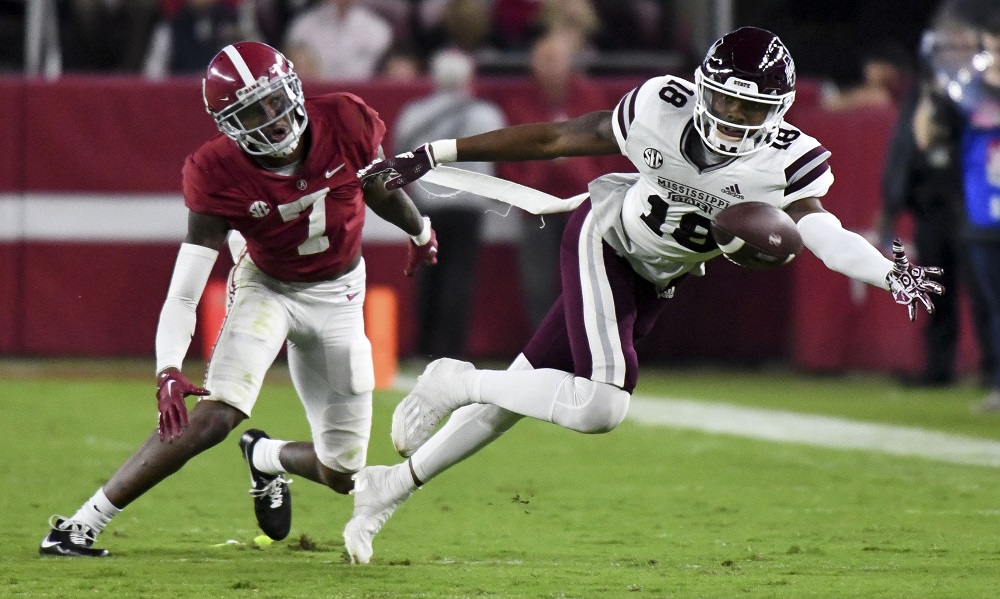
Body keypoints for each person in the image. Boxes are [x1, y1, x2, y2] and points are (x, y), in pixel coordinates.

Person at [342, 26, 945, 564]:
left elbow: (824, 235)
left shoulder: (786, 160)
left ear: (779, 111)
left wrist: (891, 274)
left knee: (517, 400)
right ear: (703, 86)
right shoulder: (663, 107)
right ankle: (458, 380)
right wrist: (434, 154)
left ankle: (388, 487)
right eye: (725, 97)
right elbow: (561, 137)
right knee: (602, 405)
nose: (733, 114)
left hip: (657, 279)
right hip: (605, 239)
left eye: (749, 105)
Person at [39, 41, 438, 557]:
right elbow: (185, 288)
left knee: (342, 471)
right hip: (267, 288)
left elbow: (379, 188)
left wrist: (421, 230)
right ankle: (78, 525)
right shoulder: (215, 170)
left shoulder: (346, 119)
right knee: (213, 416)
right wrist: (167, 367)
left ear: (293, 88)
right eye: (253, 111)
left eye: (274, 101)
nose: (271, 119)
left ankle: (265, 457)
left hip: (340, 297)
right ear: (229, 123)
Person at [878, 73, 994, 387]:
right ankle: (938, 369)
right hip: (930, 214)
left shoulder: (976, 95)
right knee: (936, 293)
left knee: (985, 296)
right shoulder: (922, 92)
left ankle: (992, 371)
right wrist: (891, 205)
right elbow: (906, 150)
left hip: (970, 213)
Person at [393, 49, 507, 359]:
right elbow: (497, 156)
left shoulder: (415, 113)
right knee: (459, 277)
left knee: (427, 275)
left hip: (428, 204)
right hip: (468, 206)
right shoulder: (485, 113)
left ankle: (424, 346)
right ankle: (452, 349)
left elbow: (400, 155)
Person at [916, 15, 1000, 410]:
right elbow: (926, 137)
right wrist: (933, 92)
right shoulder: (967, 91)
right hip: (981, 211)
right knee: (992, 306)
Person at [282, 0, 393, 80]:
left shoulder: (377, 29)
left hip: (364, 99)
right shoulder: (302, 27)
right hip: (315, 99)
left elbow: (384, 76)